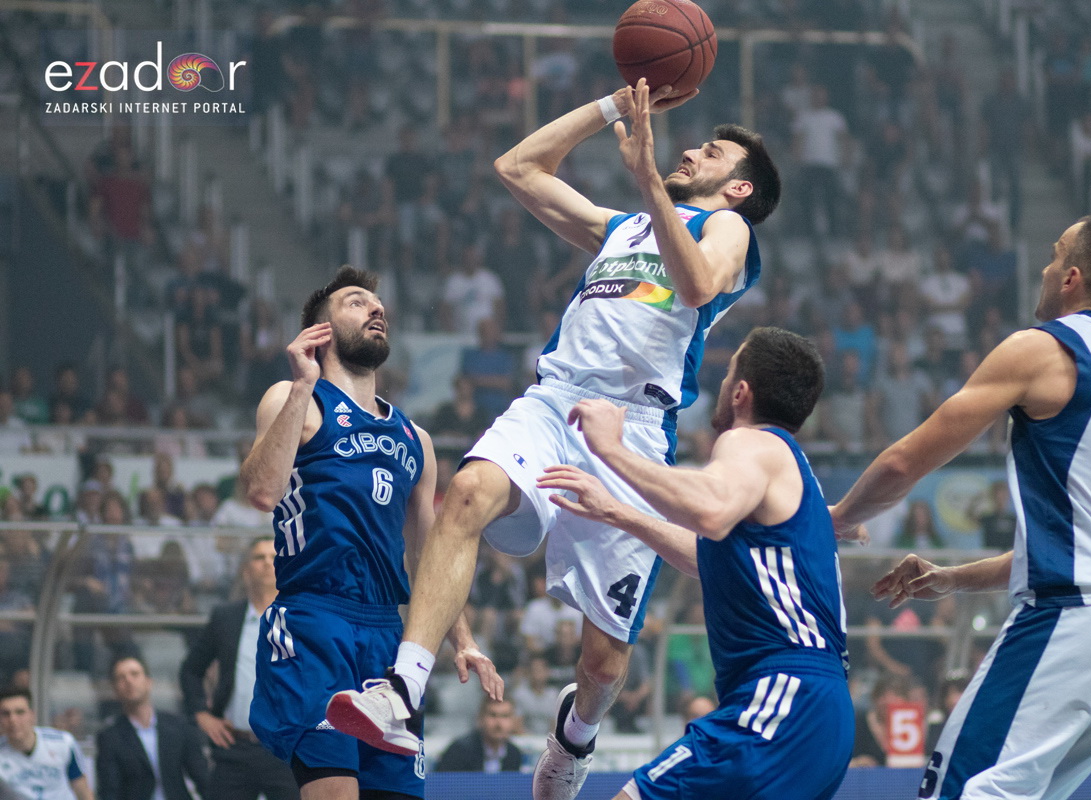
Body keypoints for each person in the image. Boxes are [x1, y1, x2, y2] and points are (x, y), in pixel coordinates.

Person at [330, 78, 781, 800]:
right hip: (556, 400)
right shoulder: (623, 228)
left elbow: (695, 287)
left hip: (632, 429)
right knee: (468, 492)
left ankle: (576, 738)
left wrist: (646, 178)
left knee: (602, 665)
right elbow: (517, 167)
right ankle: (400, 692)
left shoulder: (728, 229)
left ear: (739, 187)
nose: (693, 149)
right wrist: (613, 107)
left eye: (713, 150)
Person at [832, 216, 1091, 800]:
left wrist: (840, 517)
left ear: (1071, 277)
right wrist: (953, 579)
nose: (1045, 268)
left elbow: (905, 463)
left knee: (958, 787)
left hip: (1078, 614)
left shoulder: (1046, 349)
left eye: (1054, 256)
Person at [536, 326, 852, 800]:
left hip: (783, 695)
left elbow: (710, 511)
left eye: (728, 375)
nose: (723, 385)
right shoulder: (791, 470)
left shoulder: (752, 444)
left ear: (741, 392)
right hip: (819, 712)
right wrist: (616, 511)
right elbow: (710, 559)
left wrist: (612, 449)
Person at [241, 266, 499, 800]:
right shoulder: (294, 400)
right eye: (357, 302)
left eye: (378, 304)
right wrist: (302, 384)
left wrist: (464, 639)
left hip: (388, 639)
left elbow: (432, 553)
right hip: (315, 622)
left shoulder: (415, 438)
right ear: (321, 331)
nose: (376, 309)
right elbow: (262, 491)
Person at [178, 537, 299, 800]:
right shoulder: (226, 617)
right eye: (259, 557)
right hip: (235, 747)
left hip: (286, 747)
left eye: (272, 556)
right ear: (246, 570)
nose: (267, 563)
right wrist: (201, 713)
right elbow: (190, 670)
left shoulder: (300, 617)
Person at [95, 656, 208, 800]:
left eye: (134, 674)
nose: (129, 681)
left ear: (148, 682)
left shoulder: (179, 727)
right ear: (115, 689)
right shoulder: (110, 737)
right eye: (121, 678)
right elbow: (109, 790)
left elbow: (202, 778)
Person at [0, 688, 92, 800]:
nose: (13, 720)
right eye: (6, 714)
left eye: (20, 712)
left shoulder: (63, 743)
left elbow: (83, 791)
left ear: (32, 715)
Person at [433, 697, 523, 773]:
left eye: (505, 716)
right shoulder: (459, 751)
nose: (498, 723)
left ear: (514, 721)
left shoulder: (514, 754)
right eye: (493, 715)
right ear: (480, 719)